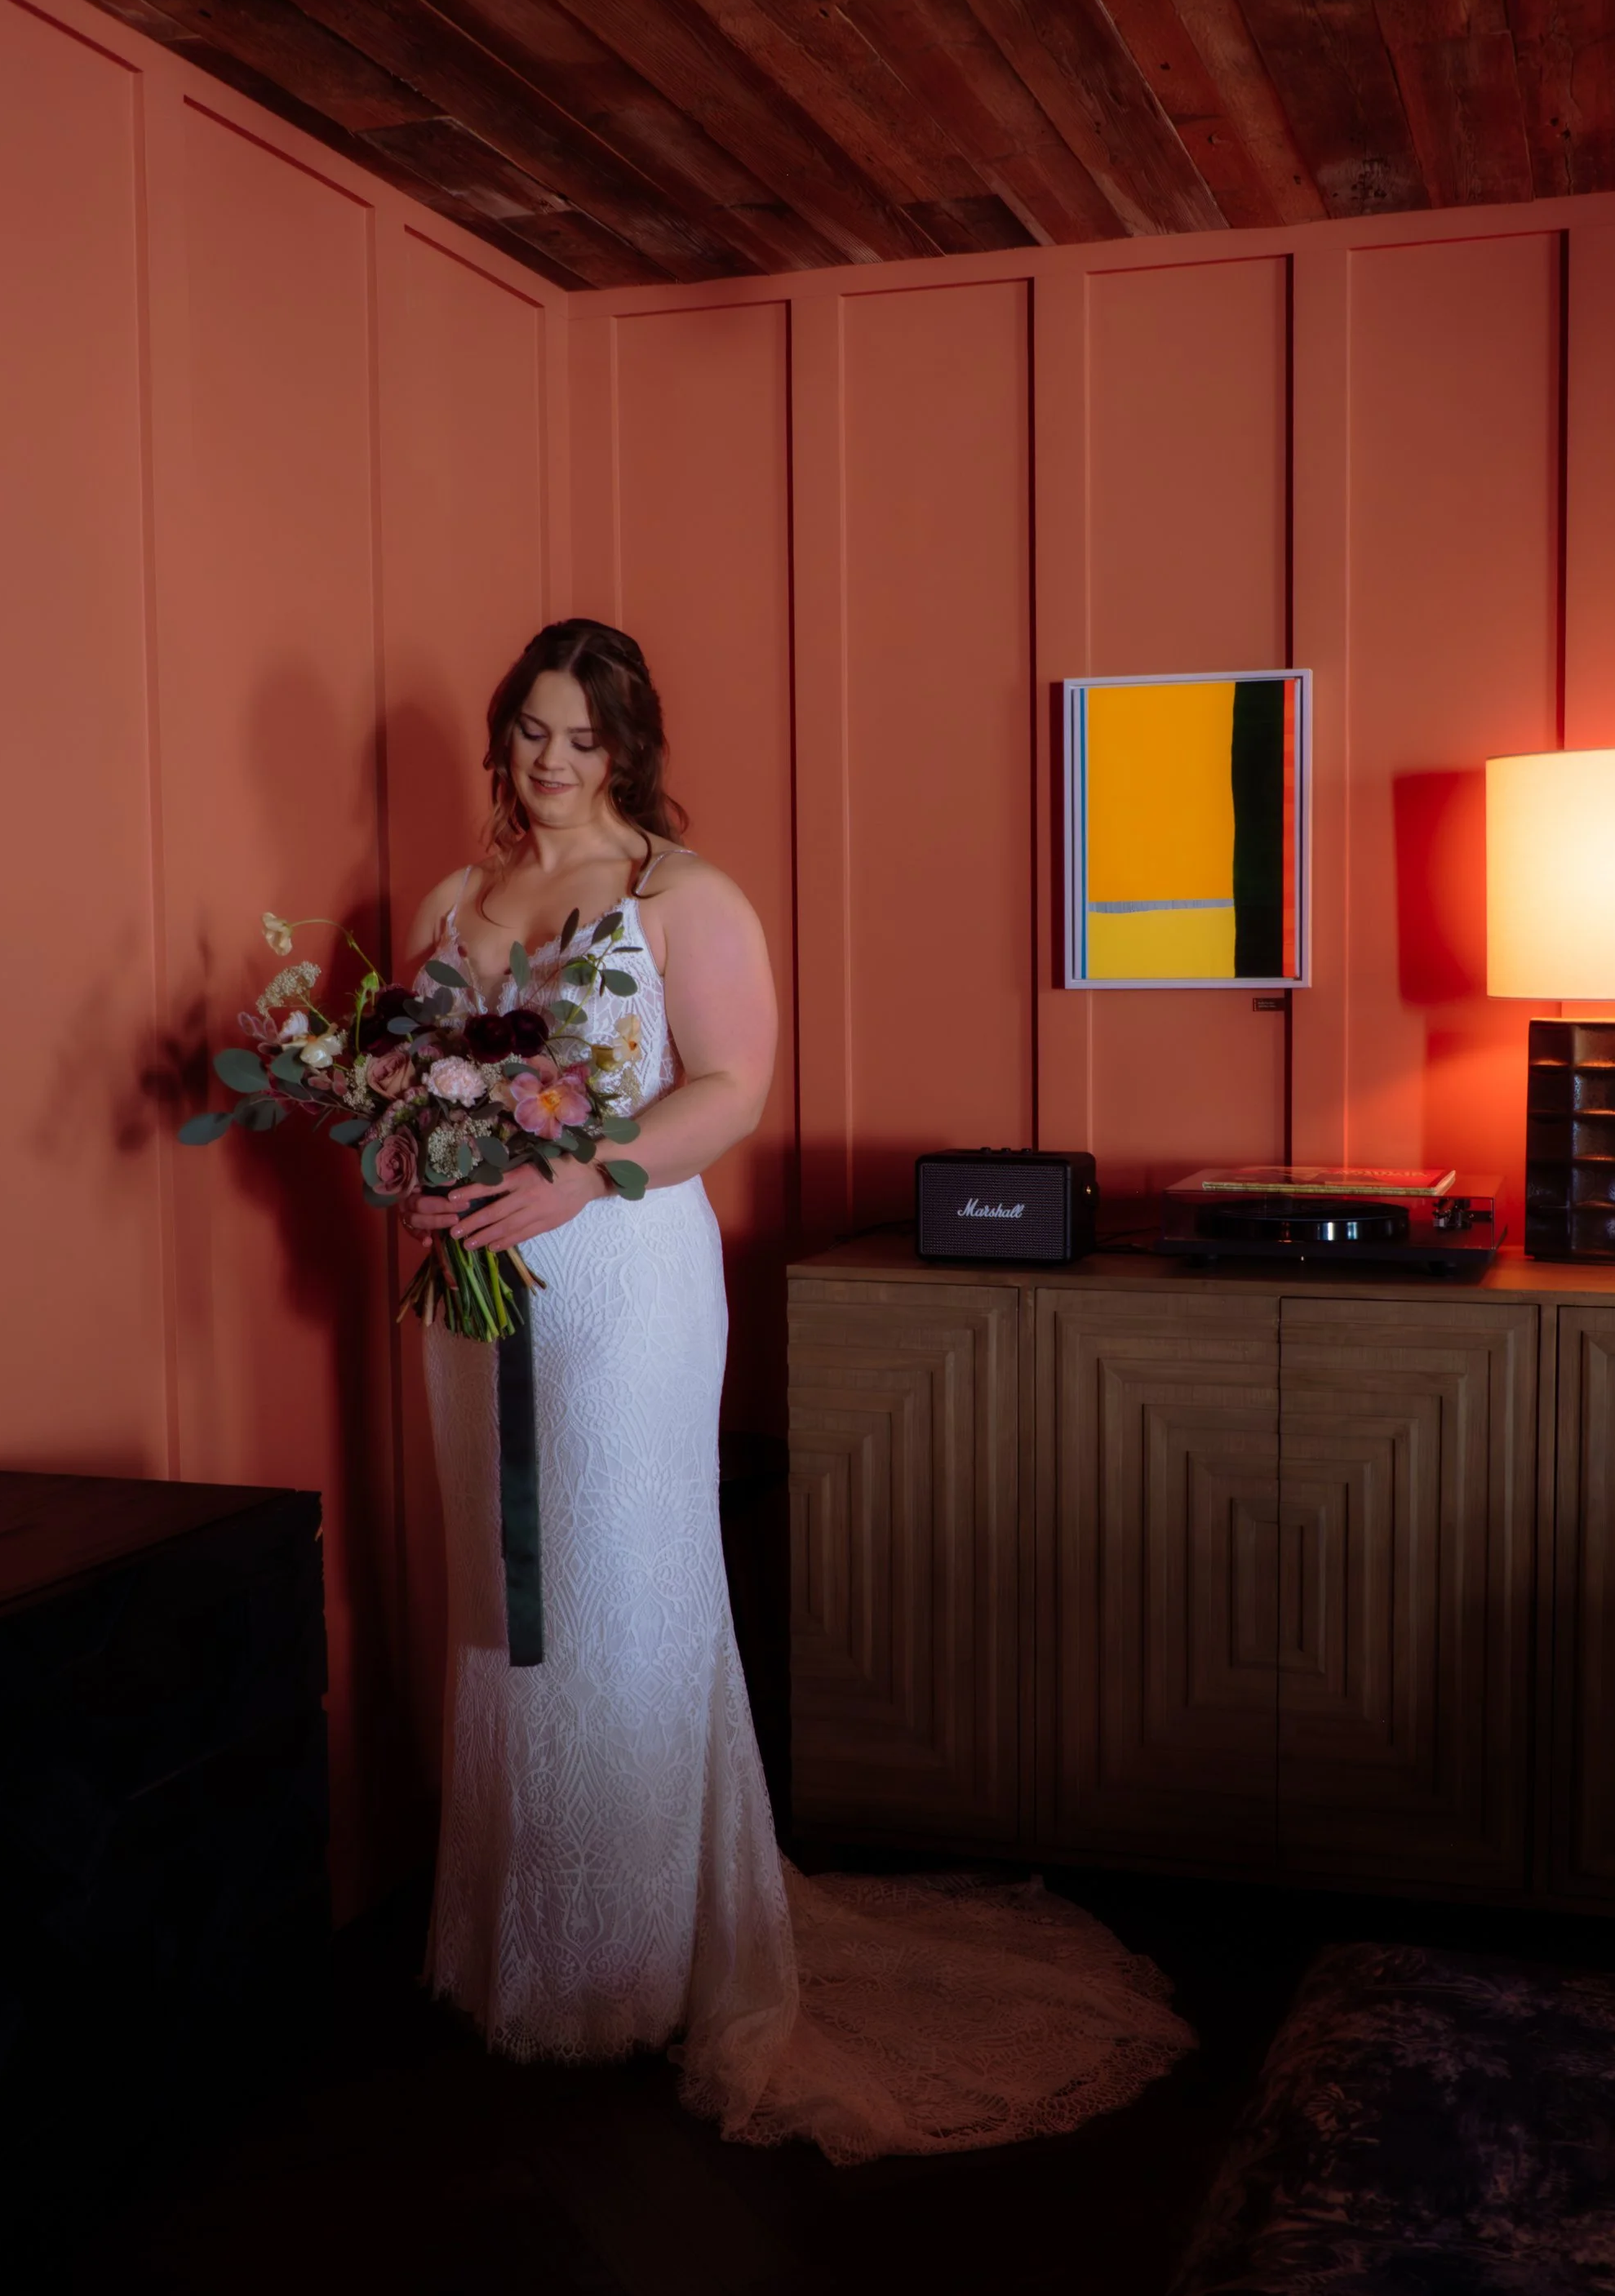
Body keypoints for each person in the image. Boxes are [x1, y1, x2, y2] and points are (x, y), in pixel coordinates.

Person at [404, 618, 1191, 2162]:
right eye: (527, 734)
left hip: (620, 1272)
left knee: (621, 1589)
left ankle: (635, 1966)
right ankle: (523, 1943)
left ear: (627, 747)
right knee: (504, 1592)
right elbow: (417, 1077)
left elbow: (734, 1089)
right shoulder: (455, 900)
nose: (550, 763)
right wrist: (412, 1172)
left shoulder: (680, 898)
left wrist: (579, 1175)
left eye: (579, 737)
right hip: (474, 1286)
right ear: (500, 740)